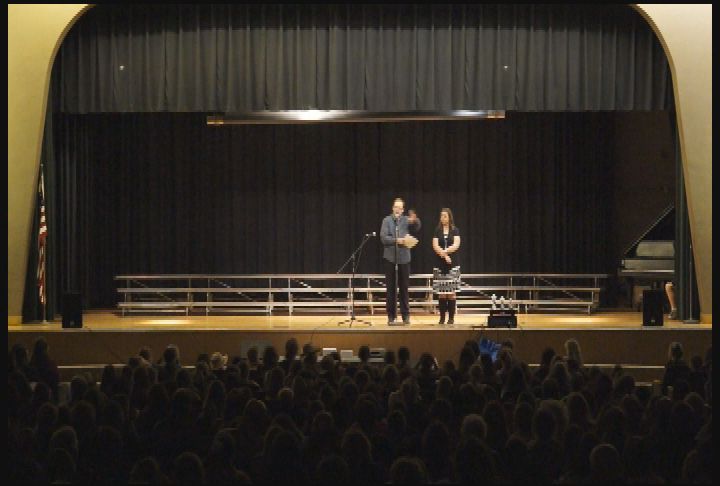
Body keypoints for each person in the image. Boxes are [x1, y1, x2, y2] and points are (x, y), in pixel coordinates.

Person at [380, 198, 421, 324]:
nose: (398, 209)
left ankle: (405, 315)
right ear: (393, 208)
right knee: (391, 289)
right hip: (390, 258)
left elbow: (417, 227)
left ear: (403, 210)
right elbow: (383, 238)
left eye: (400, 208)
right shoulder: (387, 220)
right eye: (396, 207)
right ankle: (391, 315)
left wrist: (415, 220)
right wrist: (397, 240)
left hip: (404, 258)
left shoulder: (405, 220)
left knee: (404, 289)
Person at [432, 208, 461, 325]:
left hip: (452, 264)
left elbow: (456, 244)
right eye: (441, 216)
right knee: (442, 293)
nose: (442, 218)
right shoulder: (437, 230)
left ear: (449, 217)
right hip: (440, 264)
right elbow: (435, 245)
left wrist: (446, 252)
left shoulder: (455, 230)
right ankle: (442, 318)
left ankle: (451, 318)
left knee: (451, 292)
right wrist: (444, 255)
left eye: (445, 216)